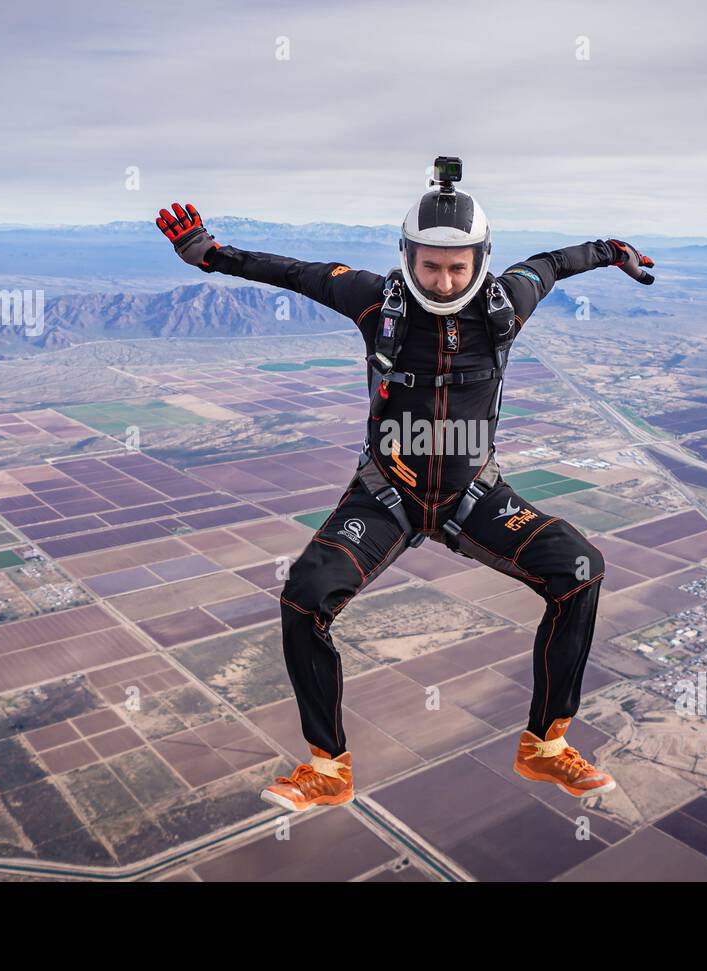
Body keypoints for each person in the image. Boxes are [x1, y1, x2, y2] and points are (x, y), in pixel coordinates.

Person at [156, 158, 655, 812]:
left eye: (456, 266)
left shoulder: (507, 301)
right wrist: (212, 256)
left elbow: (556, 262)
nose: (443, 280)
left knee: (581, 570)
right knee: (305, 598)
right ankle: (327, 766)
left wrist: (611, 251)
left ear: (480, 259)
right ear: (407, 257)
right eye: (429, 265)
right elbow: (297, 273)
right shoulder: (375, 300)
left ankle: (546, 745)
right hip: (385, 495)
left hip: (473, 497)